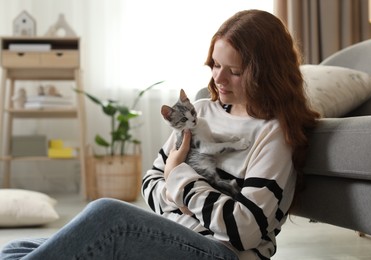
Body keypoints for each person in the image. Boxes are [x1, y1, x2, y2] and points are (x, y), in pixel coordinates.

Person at [0, 9, 319, 260]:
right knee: (15, 249)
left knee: (106, 213)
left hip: (223, 254)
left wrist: (179, 179)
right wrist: (182, 196)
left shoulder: (274, 133)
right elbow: (150, 181)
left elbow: (244, 230)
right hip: (171, 236)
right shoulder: (202, 111)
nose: (218, 79)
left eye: (234, 71)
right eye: (214, 65)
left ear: (265, 72)